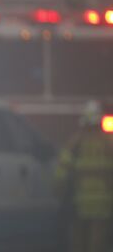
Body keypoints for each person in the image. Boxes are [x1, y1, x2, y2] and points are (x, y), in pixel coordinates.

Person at [54, 100, 113, 252]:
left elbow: (61, 171)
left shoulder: (76, 142)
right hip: (103, 205)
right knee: (98, 244)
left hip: (79, 204)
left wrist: (58, 194)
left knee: (78, 243)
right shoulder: (109, 142)